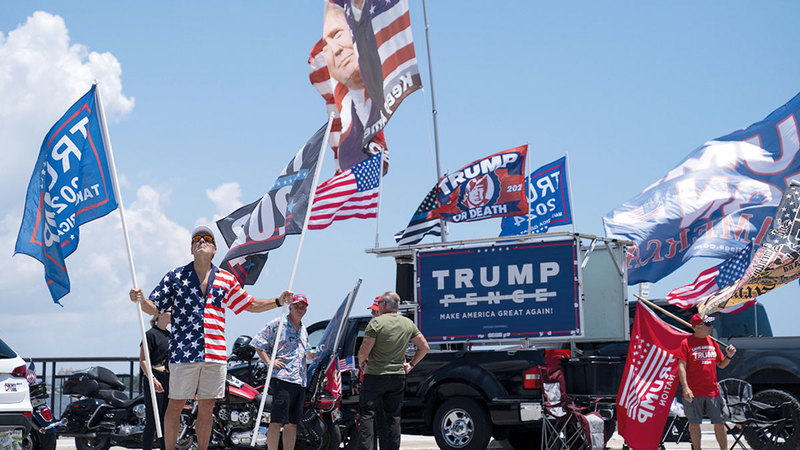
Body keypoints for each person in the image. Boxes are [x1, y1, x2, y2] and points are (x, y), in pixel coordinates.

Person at [130, 225, 292, 450]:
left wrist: (278, 301)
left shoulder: (225, 279)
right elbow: (153, 307)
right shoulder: (176, 276)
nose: (201, 241)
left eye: (207, 238)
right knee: (175, 405)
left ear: (215, 249)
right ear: (191, 249)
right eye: (196, 239)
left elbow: (249, 304)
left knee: (207, 408)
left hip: (215, 354)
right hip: (183, 353)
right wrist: (141, 300)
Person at [357, 291, 430, 450]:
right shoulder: (407, 323)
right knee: (393, 417)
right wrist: (411, 365)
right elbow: (424, 347)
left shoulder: (376, 323)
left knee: (367, 414)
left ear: (383, 304)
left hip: (376, 375)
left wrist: (361, 363)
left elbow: (364, 350)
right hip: (398, 377)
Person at [250, 294, 311, 450]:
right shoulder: (278, 323)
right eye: (297, 306)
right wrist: (270, 362)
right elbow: (258, 343)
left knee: (292, 422)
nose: (300, 309)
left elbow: (304, 352)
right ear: (290, 307)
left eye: (303, 307)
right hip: (283, 379)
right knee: (277, 420)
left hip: (300, 380)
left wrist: (311, 355)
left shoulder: (304, 329)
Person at [678, 313, 737, 450]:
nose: (711, 327)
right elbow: (681, 367)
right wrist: (686, 388)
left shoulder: (712, 342)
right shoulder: (686, 343)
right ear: (697, 327)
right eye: (708, 324)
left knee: (719, 422)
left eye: (711, 324)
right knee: (694, 423)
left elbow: (721, 364)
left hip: (713, 391)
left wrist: (729, 356)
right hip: (693, 392)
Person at [140, 308, 171, 450]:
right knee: (152, 420)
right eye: (170, 311)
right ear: (161, 314)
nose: (173, 314)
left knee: (166, 420)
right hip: (154, 377)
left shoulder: (170, 336)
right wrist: (152, 378)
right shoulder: (150, 335)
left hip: (168, 377)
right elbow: (143, 360)